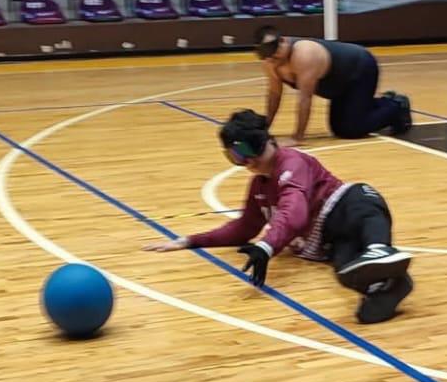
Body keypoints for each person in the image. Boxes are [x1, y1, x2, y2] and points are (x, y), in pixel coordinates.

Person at [145, 109, 414, 324]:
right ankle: (388, 285)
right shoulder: (260, 186)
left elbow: (295, 212)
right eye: (233, 157)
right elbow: (244, 228)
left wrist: (267, 246)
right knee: (346, 271)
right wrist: (190, 240)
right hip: (331, 239)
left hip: (346, 204)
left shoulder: (292, 162)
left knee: (363, 212)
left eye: (242, 153)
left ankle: (379, 248)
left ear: (258, 144)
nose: (242, 162)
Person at [255, 27, 410, 143]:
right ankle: (378, 103)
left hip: (360, 70)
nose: (273, 60)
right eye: (269, 57)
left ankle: (396, 106)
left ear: (283, 41)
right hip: (338, 86)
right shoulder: (270, 62)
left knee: (352, 130)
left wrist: (297, 137)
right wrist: (265, 129)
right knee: (338, 129)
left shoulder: (304, 54)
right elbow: (274, 95)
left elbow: (305, 98)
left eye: (275, 54)